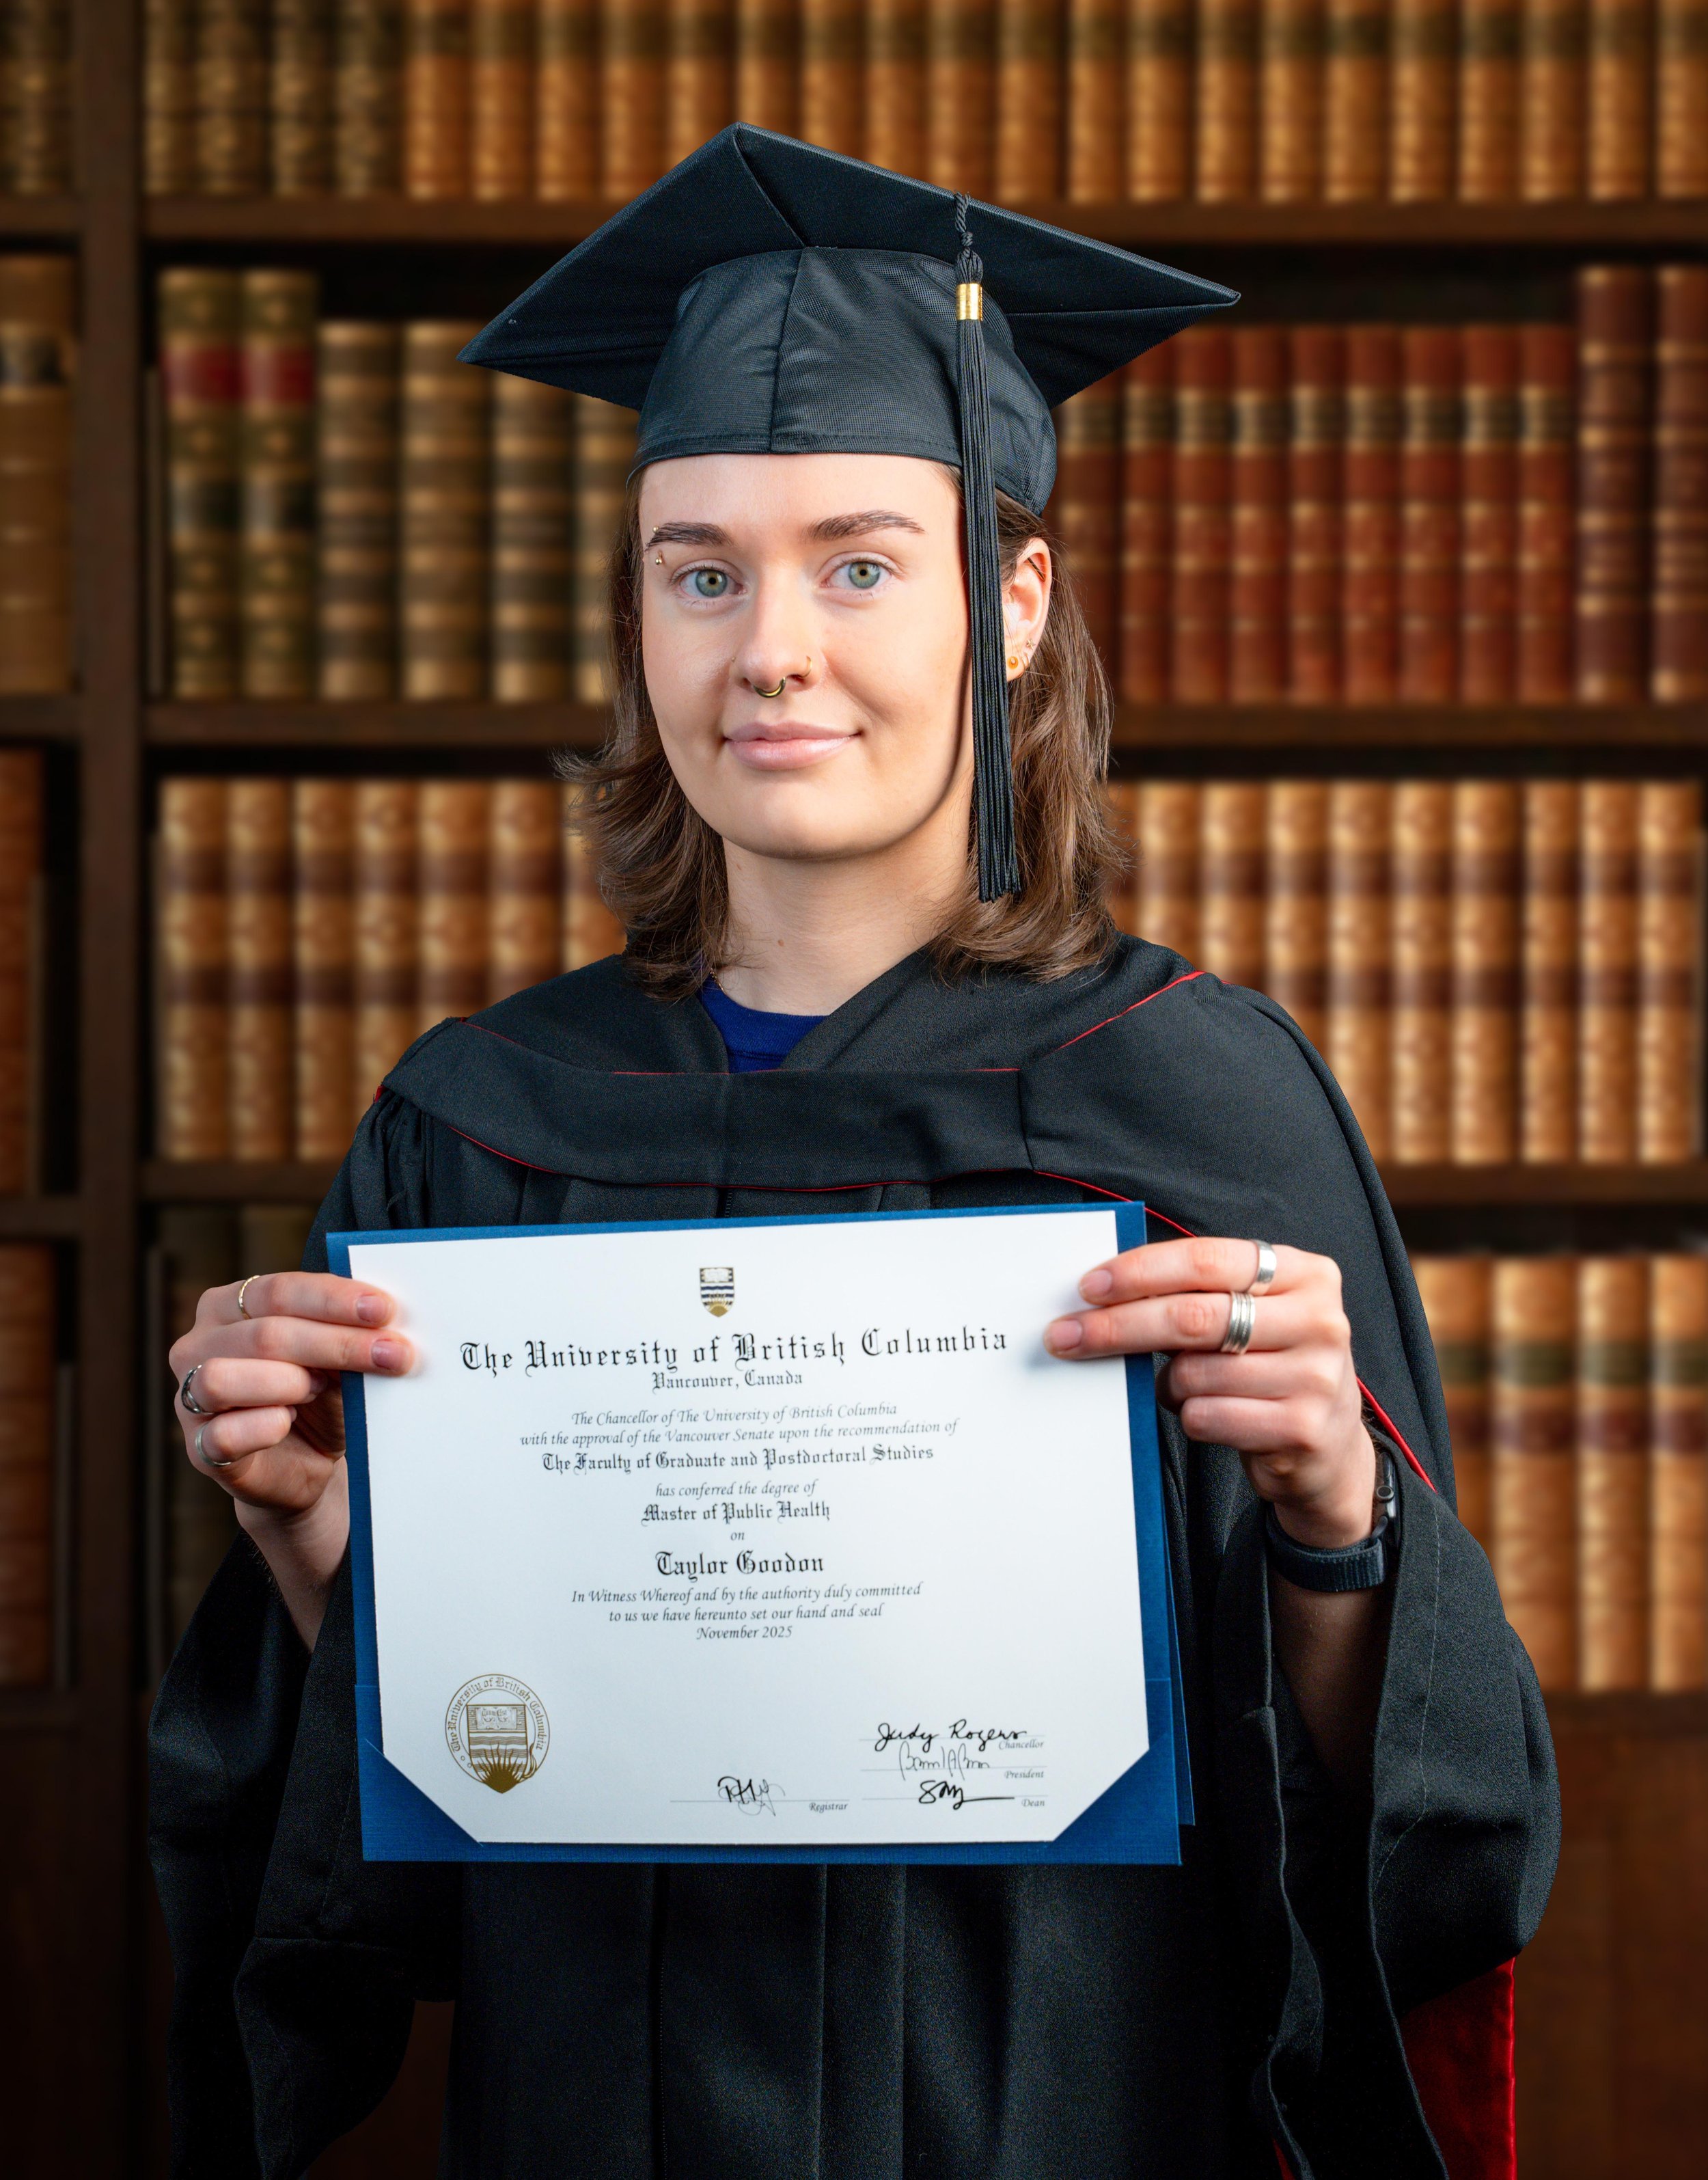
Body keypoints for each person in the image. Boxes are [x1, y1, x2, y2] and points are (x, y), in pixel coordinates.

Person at [151, 127, 1558, 2180]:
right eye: (699, 570)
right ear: (639, 616)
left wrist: (1338, 1519)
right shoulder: (479, 1118)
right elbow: (419, 1852)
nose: (770, 649)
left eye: (859, 564)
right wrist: (308, 1541)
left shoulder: (1191, 1099)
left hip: (1071, 2108)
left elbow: (1422, 1845)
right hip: (591, 2112)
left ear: (1011, 602)